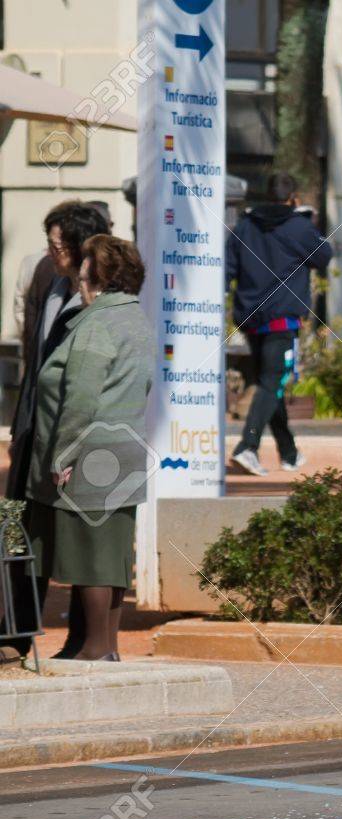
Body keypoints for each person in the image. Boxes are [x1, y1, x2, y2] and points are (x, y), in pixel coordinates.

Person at [24, 235, 152, 660]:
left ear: (101, 279)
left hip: (90, 453)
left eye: (82, 277)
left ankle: (95, 648)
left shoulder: (96, 324)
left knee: (91, 554)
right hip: (125, 450)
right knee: (111, 554)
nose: (78, 284)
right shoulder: (136, 318)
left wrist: (64, 454)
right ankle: (104, 646)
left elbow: (80, 397)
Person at [2, 203, 110, 659]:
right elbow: (35, 358)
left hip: (75, 433)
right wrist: (21, 426)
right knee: (19, 528)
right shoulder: (48, 280)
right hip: (34, 426)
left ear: (81, 246)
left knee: (79, 537)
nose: (51, 251)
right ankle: (14, 634)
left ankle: (85, 640)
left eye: (58, 244)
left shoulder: (102, 296)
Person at [225, 172, 333, 476]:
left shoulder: (245, 226)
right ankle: (247, 446)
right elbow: (324, 256)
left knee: (269, 383)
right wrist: (308, 221)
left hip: (251, 319)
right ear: (292, 197)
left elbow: (228, 268)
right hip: (282, 319)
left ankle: (289, 452)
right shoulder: (299, 227)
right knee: (272, 381)